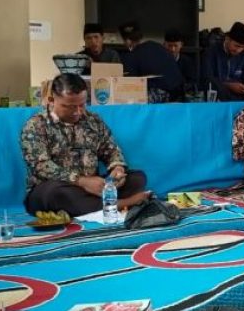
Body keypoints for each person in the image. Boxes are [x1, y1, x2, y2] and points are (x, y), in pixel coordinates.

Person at [21, 73, 150, 217]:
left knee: (137, 178)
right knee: (55, 193)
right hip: (56, 189)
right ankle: (122, 204)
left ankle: (99, 204)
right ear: (52, 100)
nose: (78, 112)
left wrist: (117, 169)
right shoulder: (36, 125)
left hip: (94, 188)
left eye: (82, 105)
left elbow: (111, 149)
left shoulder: (93, 120)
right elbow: (40, 166)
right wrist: (81, 181)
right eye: (70, 107)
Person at [118, 21, 184, 103]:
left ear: (127, 41)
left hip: (156, 96)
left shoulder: (130, 56)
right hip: (177, 95)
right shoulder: (157, 46)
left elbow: (129, 84)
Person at [202, 21, 244, 101]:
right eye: (236, 46)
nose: (239, 50)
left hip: (238, 98)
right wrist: (228, 85)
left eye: (242, 47)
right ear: (227, 39)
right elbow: (207, 78)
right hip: (217, 96)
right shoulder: (211, 52)